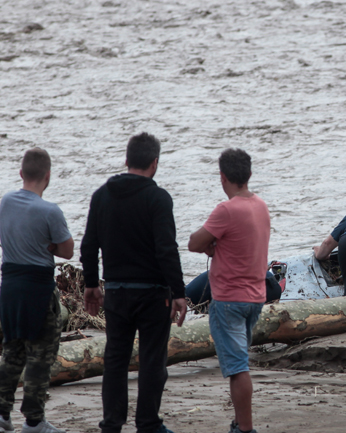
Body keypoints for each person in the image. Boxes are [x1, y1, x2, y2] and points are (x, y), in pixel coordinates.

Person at [80, 132, 186, 433]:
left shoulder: (101, 195)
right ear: (155, 163)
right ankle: (148, 423)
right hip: (153, 294)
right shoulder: (158, 198)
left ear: (126, 160)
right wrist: (178, 293)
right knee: (153, 361)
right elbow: (166, 249)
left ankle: (112, 423)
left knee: (115, 359)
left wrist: (91, 284)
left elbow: (89, 245)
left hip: (116, 292)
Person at [188, 148, 270, 433]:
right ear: (248, 174)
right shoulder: (260, 205)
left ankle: (245, 428)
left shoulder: (227, 209)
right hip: (255, 298)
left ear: (223, 177)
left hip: (229, 300)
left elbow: (194, 242)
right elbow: (241, 244)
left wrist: (212, 244)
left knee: (237, 368)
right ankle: (239, 422)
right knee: (240, 361)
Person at [0, 148, 73, 433]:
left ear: (21, 174)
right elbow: (67, 251)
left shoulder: (5, 202)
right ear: (48, 176)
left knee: (12, 351)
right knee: (40, 356)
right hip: (38, 287)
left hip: (10, 286)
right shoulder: (50, 211)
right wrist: (51, 245)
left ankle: (2, 413)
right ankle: (33, 420)